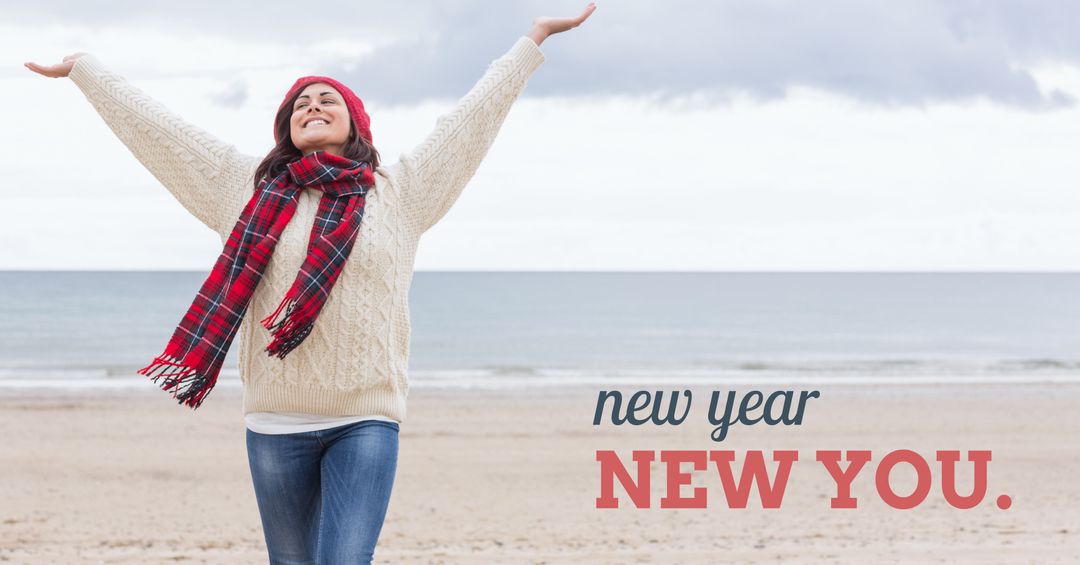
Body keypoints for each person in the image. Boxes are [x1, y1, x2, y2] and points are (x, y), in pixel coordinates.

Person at [24, 4, 596, 563]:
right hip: (274, 422)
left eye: (328, 100)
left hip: (365, 419)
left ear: (355, 124)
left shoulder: (399, 195)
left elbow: (469, 123)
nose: (313, 106)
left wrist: (533, 41)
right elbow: (165, 135)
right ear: (287, 127)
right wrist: (87, 72)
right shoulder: (245, 189)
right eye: (301, 103)